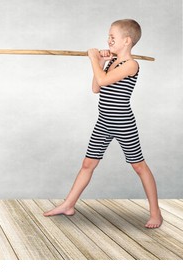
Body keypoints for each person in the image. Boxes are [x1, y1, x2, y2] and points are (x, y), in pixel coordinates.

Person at [43, 19, 163, 228]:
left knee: (138, 166)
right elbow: (97, 87)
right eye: (108, 36)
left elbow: (106, 81)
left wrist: (92, 58)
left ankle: (156, 213)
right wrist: (99, 63)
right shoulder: (111, 62)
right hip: (103, 122)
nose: (108, 40)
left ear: (126, 41)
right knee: (88, 164)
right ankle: (68, 204)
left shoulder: (131, 65)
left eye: (112, 37)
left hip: (123, 122)